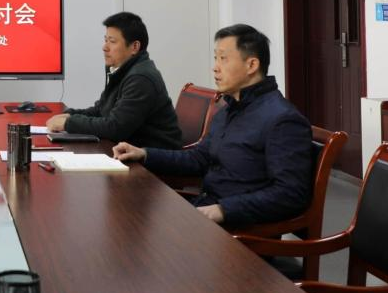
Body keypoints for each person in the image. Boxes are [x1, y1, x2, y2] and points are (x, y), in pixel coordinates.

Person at [113, 24, 313, 228]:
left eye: (223, 58)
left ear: (252, 65)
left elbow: (291, 193)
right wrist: (144, 153)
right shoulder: (230, 108)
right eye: (216, 58)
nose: (215, 67)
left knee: (134, 228)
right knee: (126, 214)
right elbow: (199, 158)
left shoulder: (282, 119)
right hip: (206, 208)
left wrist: (223, 210)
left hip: (236, 227)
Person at [45, 12, 183, 149]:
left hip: (152, 157)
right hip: (128, 149)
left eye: (112, 42)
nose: (105, 47)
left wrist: (68, 123)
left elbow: (116, 128)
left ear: (134, 47)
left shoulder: (141, 78)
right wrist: (69, 115)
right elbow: (101, 110)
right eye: (106, 40)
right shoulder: (123, 70)